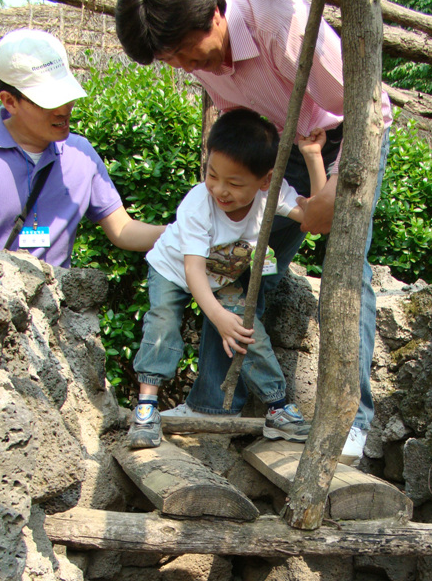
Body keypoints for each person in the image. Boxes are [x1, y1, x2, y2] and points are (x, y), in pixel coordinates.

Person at [115, 0, 392, 464]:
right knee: (236, 270)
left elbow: (369, 107)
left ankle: (351, 422)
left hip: (341, 139)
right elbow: (242, 118)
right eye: (173, 61)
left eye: (187, 50)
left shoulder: (277, 19)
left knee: (347, 272)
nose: (187, 65)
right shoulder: (195, 56)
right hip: (275, 153)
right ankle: (212, 405)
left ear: (216, 12)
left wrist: (334, 179)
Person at [128, 107, 327, 449]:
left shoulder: (272, 194)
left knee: (247, 332)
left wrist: (312, 158)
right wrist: (218, 317)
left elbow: (317, 218)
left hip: (221, 277)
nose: (220, 190)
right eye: (212, 175)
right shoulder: (197, 204)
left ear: (265, 180)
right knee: (163, 324)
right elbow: (192, 270)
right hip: (174, 270)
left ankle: (277, 407)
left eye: (234, 183)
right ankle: (146, 407)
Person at [0, 28, 165, 268]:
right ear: (10, 101)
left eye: (66, 95)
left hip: (53, 302)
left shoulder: (81, 154)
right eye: (48, 100)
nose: (63, 109)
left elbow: (122, 228)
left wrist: (181, 233)